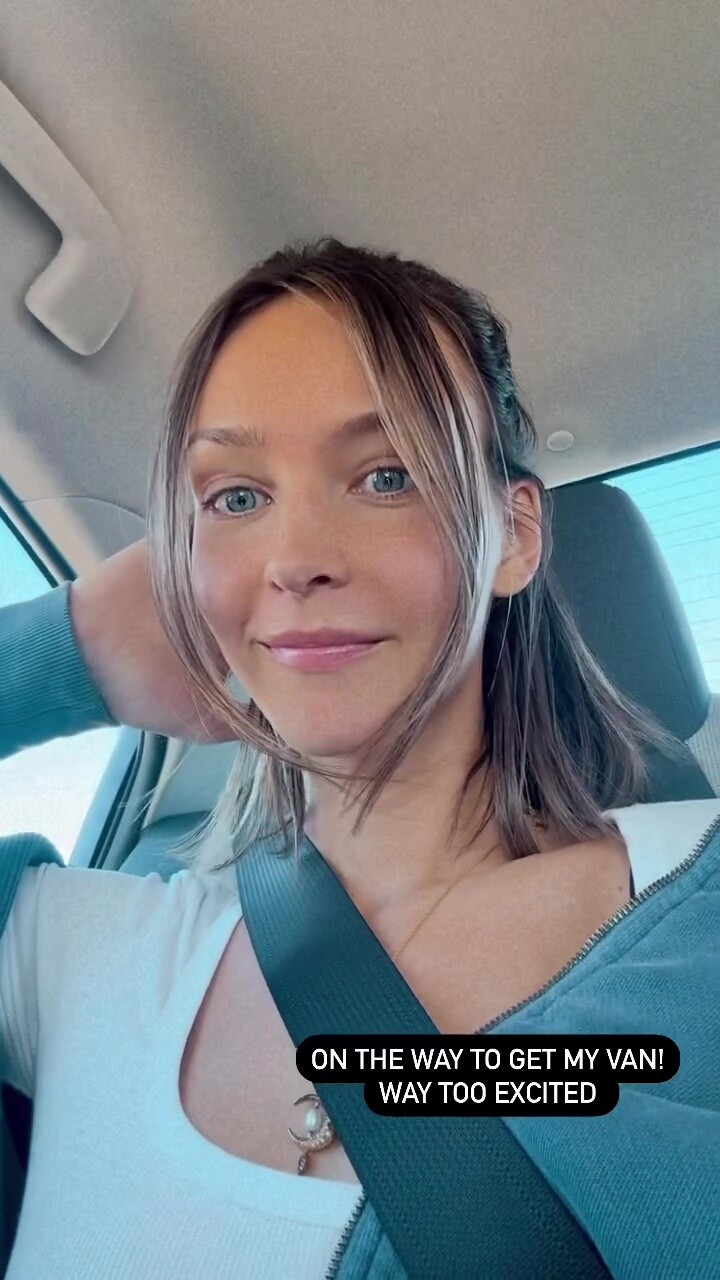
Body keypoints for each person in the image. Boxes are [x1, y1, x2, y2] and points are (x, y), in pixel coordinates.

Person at [1, 237, 719, 1279]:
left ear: (515, 536)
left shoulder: (696, 908)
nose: (296, 560)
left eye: (387, 475)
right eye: (234, 497)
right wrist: (69, 646)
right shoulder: (75, 949)